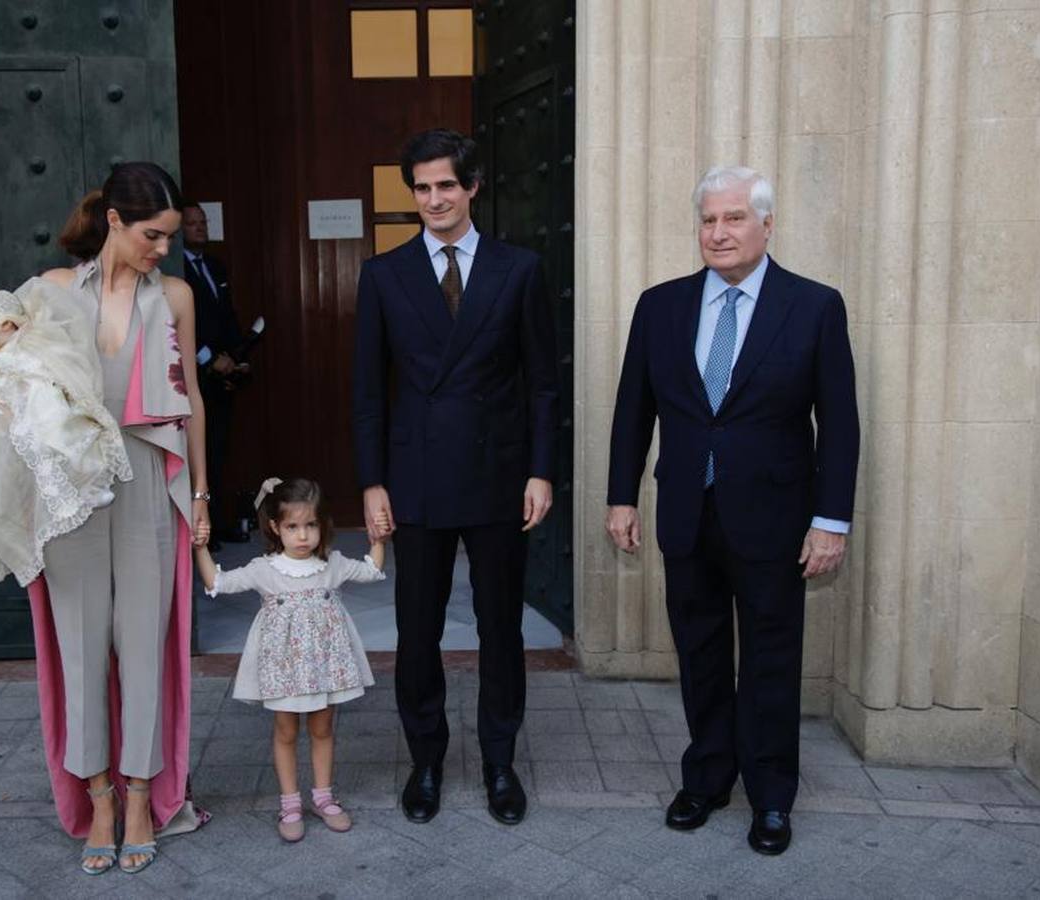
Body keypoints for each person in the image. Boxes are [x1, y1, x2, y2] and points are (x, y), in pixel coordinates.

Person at [605, 166, 860, 855]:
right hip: (687, 512)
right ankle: (708, 778)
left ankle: (771, 796)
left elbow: (839, 424)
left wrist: (830, 522)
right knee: (700, 653)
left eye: (734, 218)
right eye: (708, 220)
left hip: (776, 520)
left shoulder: (813, 306)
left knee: (771, 659)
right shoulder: (660, 306)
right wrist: (621, 496)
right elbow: (633, 410)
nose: (718, 233)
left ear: (766, 225)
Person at [0, 162, 211, 876]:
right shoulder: (46, 292)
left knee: (145, 647)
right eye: (153, 235)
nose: (162, 250)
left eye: (170, 238)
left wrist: (202, 494)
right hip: (68, 491)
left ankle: (142, 796)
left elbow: (191, 395)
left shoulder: (174, 295)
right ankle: (99, 800)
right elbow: (0, 376)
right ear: (113, 220)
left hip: (148, 481)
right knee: (78, 649)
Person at [351, 128, 558, 826]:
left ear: (471, 187)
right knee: (418, 630)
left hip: (499, 474)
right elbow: (367, 393)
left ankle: (500, 762)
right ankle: (426, 761)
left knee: (501, 627)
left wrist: (540, 471)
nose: (434, 198)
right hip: (414, 478)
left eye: (446, 184)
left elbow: (542, 384)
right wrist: (372, 483)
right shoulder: (383, 275)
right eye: (422, 187)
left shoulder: (518, 269)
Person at [195, 477, 386, 842]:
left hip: (325, 668)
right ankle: (290, 803)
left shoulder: (331, 564)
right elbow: (219, 584)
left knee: (323, 729)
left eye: (310, 525)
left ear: (322, 525)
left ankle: (324, 797)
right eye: (293, 527)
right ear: (275, 527)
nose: (302, 536)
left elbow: (372, 572)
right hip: (284, 670)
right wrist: (200, 547)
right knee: (286, 731)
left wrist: (379, 540)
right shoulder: (265, 568)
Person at [0, 281, 132, 586]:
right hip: (0, 449)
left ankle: (83, 481)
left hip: (34, 423)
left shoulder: (21, 356)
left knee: (51, 431)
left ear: (4, 324)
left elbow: (48, 380)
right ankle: (19, 524)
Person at [181, 203, 248, 547]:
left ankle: (219, 522)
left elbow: (226, 315)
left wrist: (237, 357)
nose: (199, 227)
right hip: (195, 375)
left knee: (218, 450)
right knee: (197, 453)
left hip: (223, 375)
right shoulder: (177, 270)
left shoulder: (214, 265)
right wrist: (208, 359)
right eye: (191, 223)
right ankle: (199, 527)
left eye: (202, 222)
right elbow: (180, 328)